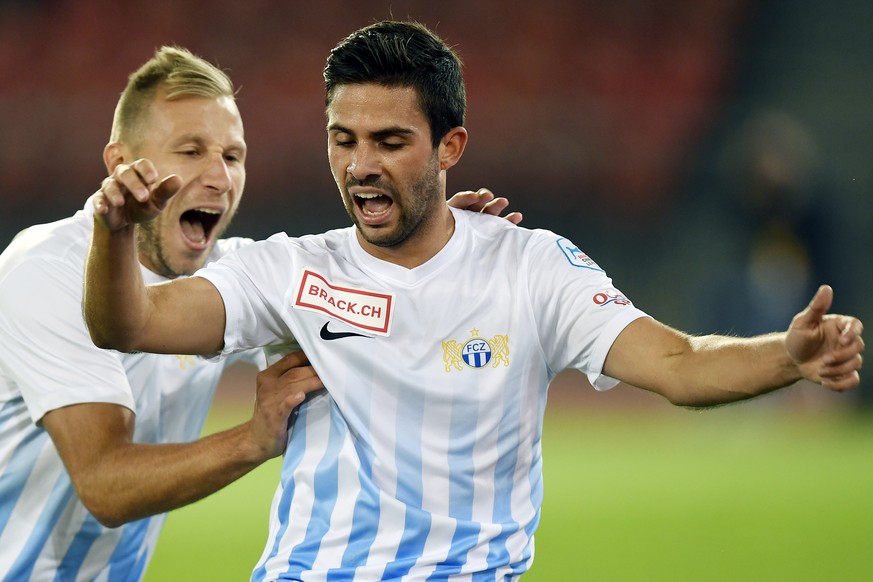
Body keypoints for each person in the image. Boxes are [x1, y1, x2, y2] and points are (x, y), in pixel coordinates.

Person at [82, 22, 864, 581]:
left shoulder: (529, 267)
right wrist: (114, 235)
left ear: (449, 147)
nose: (358, 166)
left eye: (389, 142)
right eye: (341, 139)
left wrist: (784, 357)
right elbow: (131, 323)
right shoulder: (290, 271)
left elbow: (676, 361)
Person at [0, 44, 517, 581]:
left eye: (232, 155)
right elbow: (104, 484)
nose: (220, 177)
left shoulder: (224, 271)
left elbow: (353, 285)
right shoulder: (45, 273)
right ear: (120, 163)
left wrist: (430, 243)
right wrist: (252, 438)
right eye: (190, 151)